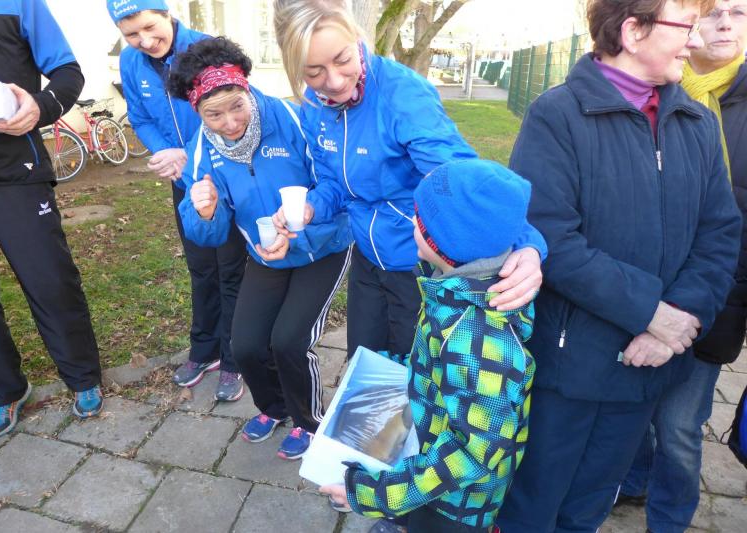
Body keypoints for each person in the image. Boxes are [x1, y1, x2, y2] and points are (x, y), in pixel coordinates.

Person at [495, 0, 742, 531]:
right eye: (686, 26)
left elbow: (721, 232)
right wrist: (650, 311)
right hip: (570, 371)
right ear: (633, 31)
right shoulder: (557, 115)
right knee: (531, 507)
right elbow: (551, 236)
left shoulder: (697, 122)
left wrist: (680, 317)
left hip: (649, 367)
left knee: (589, 508)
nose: (697, 40)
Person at [271, 0, 547, 366]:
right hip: (368, 259)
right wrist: (311, 207)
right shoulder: (313, 103)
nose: (334, 82)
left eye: (342, 59)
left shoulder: (403, 96)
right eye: (314, 71)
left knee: (415, 378)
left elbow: (462, 179)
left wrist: (528, 244)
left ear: (356, 37)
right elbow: (335, 184)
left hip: (416, 264)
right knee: (364, 367)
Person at [320, 159, 536, 533]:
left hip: (454, 508)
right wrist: (390, 368)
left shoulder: (478, 340)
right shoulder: (452, 291)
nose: (412, 222)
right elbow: (440, 367)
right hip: (430, 467)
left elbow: (472, 454)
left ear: (438, 241)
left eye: (417, 217)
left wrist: (374, 494)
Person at [168, 37, 353, 460]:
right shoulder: (202, 149)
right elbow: (207, 233)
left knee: (289, 341)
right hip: (266, 253)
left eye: (237, 106)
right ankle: (274, 408)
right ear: (197, 111)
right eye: (214, 114)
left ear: (246, 88)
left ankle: (309, 422)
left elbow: (336, 181)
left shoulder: (292, 118)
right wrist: (207, 212)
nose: (230, 122)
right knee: (246, 344)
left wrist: (306, 214)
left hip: (323, 247)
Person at [0, 0, 104, 437]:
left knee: (49, 279)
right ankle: (3, 392)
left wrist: (41, 106)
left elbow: (68, 72)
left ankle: (82, 377)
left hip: (14, 171)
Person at [618, 2, 747, 531]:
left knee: (679, 426)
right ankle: (634, 480)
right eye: (712, 13)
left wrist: (698, 303)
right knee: (633, 414)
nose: (724, 24)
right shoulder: (651, 91)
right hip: (643, 292)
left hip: (716, 299)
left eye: (739, 13)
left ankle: (669, 520)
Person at [107, 0, 247, 400]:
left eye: (150, 27)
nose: (145, 40)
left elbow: (233, 113)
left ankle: (234, 358)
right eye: (131, 34)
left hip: (223, 179)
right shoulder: (131, 62)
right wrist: (165, 154)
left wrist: (189, 154)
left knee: (231, 270)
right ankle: (205, 350)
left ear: (167, 13)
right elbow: (140, 117)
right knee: (200, 267)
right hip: (183, 180)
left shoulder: (207, 49)